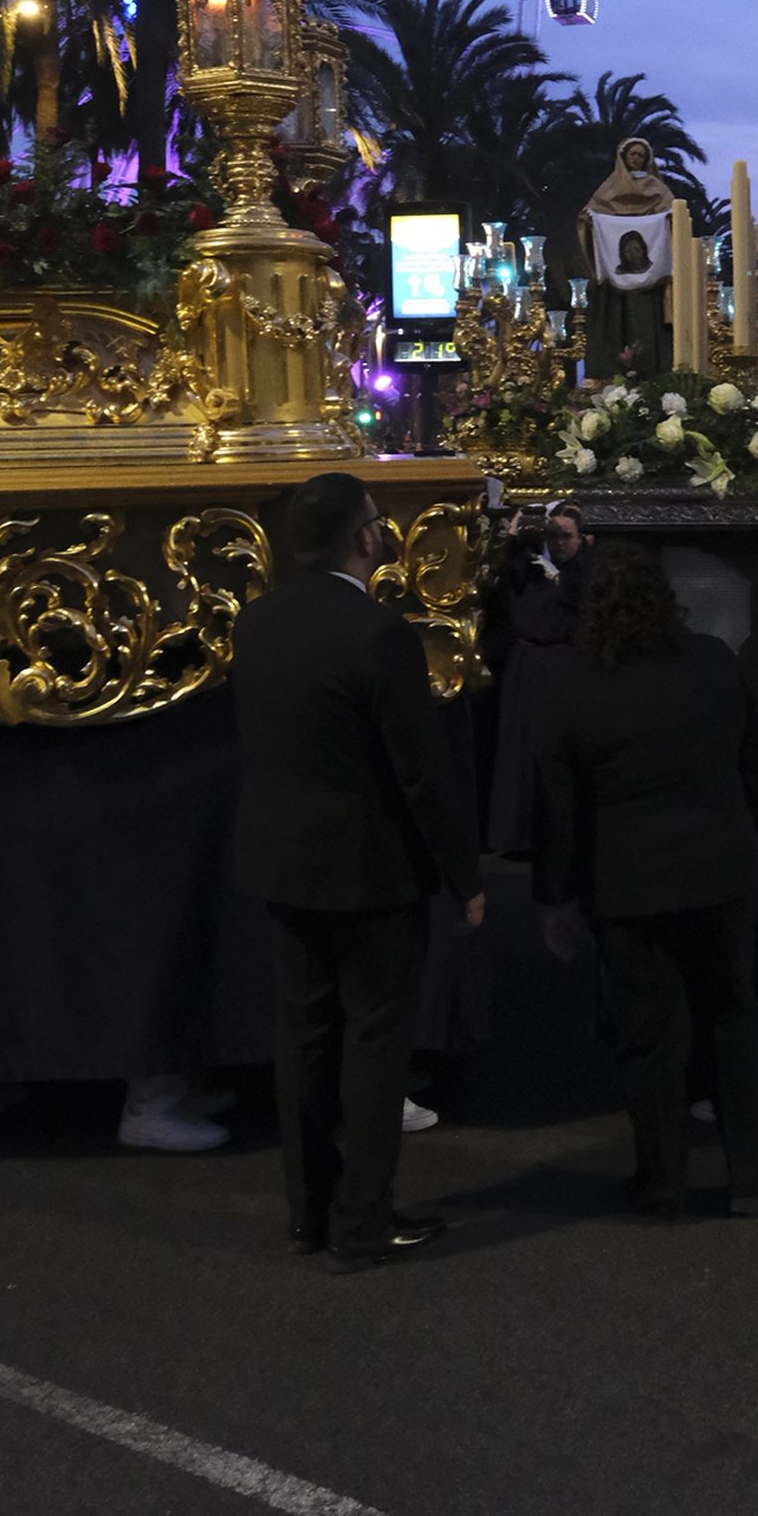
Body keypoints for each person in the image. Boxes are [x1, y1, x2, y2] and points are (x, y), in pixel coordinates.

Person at [229, 471, 485, 1272]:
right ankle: (365, 1217)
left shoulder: (258, 624)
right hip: (370, 867)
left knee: (303, 1035)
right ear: (364, 539)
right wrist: (463, 873)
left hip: (284, 860)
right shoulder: (379, 634)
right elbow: (421, 771)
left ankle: (308, 1210)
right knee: (376, 1040)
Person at [533, 542, 758, 1218]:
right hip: (722, 866)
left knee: (651, 1031)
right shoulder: (712, 661)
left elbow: (558, 806)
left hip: (630, 881)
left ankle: (663, 1177)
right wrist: (757, 830)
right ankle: (752, 1175)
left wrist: (555, 895)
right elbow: (755, 758)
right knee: (732, 1016)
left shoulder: (572, 684)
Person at [484, 502, 593, 858]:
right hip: (527, 663)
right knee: (520, 747)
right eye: (553, 536)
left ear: (581, 538)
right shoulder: (527, 567)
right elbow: (505, 576)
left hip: (566, 661)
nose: (560, 543)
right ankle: (516, 836)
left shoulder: (586, 573)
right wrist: (515, 539)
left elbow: (581, 599)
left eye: (567, 536)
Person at [576, 137, 677, 377]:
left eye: (641, 155)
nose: (636, 159)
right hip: (615, 286)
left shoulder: (658, 190)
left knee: (648, 323)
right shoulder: (609, 189)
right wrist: (591, 222)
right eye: (632, 154)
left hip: (651, 286)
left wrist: (670, 220)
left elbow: (675, 214)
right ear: (623, 157)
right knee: (614, 322)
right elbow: (588, 216)